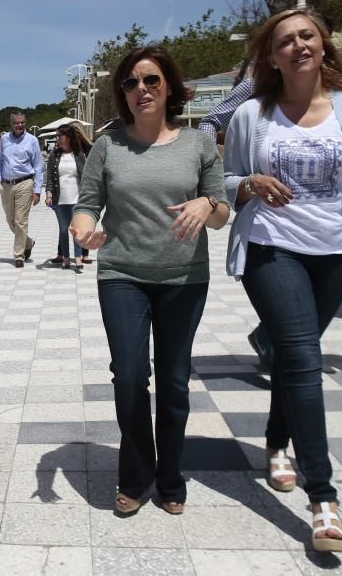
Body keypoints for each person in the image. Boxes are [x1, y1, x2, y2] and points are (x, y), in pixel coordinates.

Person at [222, 8, 342, 553]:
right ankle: (323, 499)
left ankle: (277, 439)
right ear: (271, 56)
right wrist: (251, 182)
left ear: (324, 46)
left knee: (294, 355)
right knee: (304, 359)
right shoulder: (251, 115)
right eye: (285, 41)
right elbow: (226, 180)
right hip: (271, 248)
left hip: (339, 254)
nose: (298, 46)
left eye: (307, 36)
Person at [71, 46, 230, 519]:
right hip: (122, 274)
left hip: (184, 278)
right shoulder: (108, 145)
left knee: (175, 382)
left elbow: (221, 212)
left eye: (151, 80)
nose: (141, 89)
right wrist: (81, 229)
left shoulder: (198, 142)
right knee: (130, 376)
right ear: (121, 93)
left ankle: (170, 475)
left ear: (169, 87)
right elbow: (87, 203)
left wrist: (206, 205)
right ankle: (135, 474)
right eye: (131, 83)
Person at [0, 112, 44, 267]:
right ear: (12, 124)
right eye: (17, 123)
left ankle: (19, 256)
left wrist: (37, 190)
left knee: (20, 220)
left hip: (25, 183)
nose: (20, 125)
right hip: (7, 185)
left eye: (22, 122)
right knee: (10, 220)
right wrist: (0, 179)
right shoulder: (4, 139)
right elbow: (0, 159)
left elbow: (38, 165)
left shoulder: (32, 140)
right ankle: (28, 242)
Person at [44, 121, 91, 269]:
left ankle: (77, 257)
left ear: (68, 137)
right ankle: (65, 257)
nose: (57, 138)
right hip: (60, 199)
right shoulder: (54, 155)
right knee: (63, 229)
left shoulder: (79, 154)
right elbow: (50, 177)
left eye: (59, 136)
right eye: (56, 136)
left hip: (77, 198)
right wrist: (49, 194)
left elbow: (85, 176)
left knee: (76, 229)